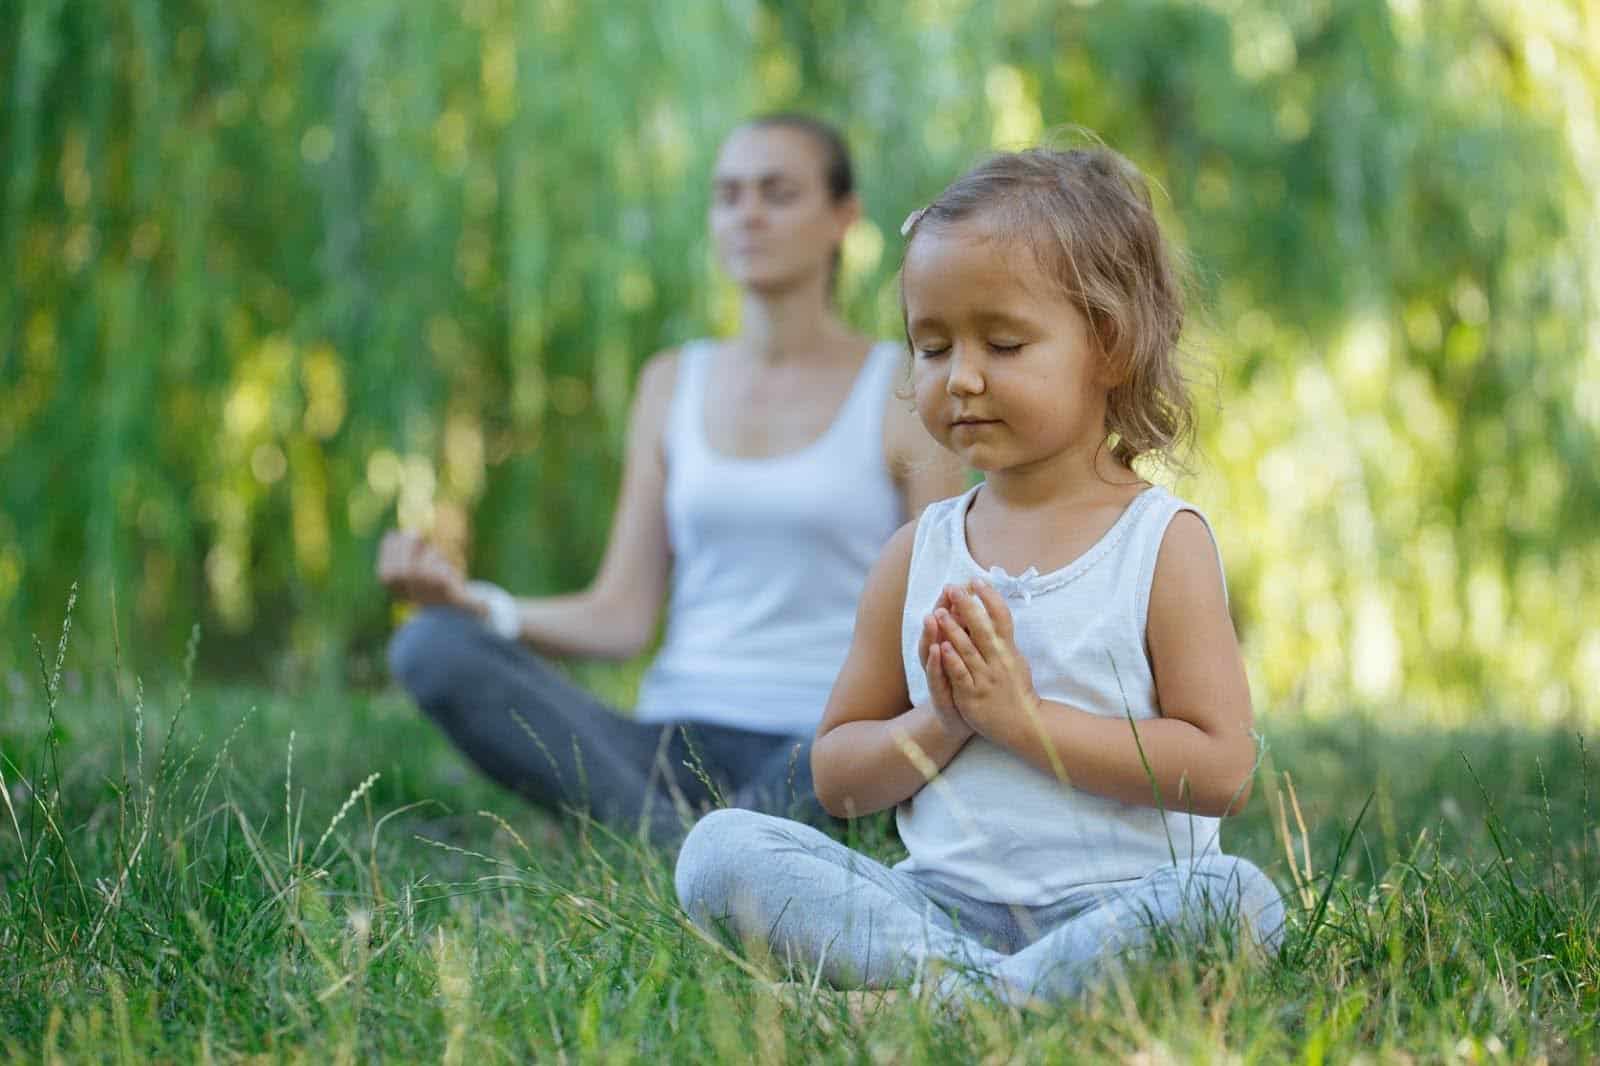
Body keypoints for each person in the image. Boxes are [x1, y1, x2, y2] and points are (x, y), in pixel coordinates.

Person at [675, 144, 1285, 1007]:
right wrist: (945, 721)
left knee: (1235, 903)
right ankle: (999, 995)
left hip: (1118, 910)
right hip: (935, 911)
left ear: (1109, 346)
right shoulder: (916, 554)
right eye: (931, 348)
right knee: (718, 850)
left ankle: (940, 1002)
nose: (961, 378)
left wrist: (1023, 720)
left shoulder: (1161, 543)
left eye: (1003, 343)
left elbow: (1221, 772)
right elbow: (838, 777)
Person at [379, 115, 966, 847]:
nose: (746, 212)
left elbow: (936, 612)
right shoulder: (670, 383)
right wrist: (475, 605)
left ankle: (674, 845)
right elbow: (622, 615)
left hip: (817, 744)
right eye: (727, 195)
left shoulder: (906, 388)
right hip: (663, 745)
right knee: (431, 646)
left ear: (843, 219)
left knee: (846, 765)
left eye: (777, 193)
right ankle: (696, 843)